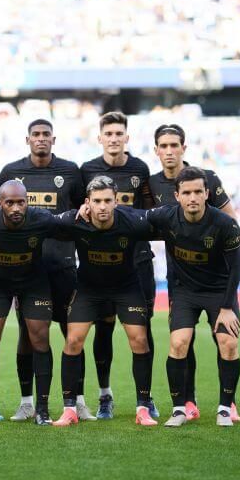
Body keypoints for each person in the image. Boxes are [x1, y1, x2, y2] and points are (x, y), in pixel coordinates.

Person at [0, 120, 91, 421]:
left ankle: (77, 401)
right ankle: (27, 402)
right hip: (27, 271)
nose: (40, 139)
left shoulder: (70, 171)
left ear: (53, 138)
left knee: (71, 333)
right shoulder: (11, 172)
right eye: (35, 135)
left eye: (45, 135)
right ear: (27, 140)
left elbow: (82, 215)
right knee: (27, 335)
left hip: (63, 266)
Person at [148, 123, 239, 422]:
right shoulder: (150, 184)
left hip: (215, 277)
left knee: (223, 340)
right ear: (157, 150)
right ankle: (187, 401)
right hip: (180, 276)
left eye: (175, 145)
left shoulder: (206, 177)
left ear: (183, 148)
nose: (170, 151)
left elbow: (230, 221)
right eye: (164, 145)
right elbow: (146, 221)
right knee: (181, 342)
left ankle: (228, 403)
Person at [51, 176, 159, 428]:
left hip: (126, 288)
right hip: (89, 288)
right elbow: (42, 221)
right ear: (87, 202)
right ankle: (69, 409)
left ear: (116, 201)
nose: (102, 206)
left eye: (107, 201)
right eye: (97, 201)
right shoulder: (74, 220)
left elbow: (166, 219)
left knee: (140, 340)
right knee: (73, 340)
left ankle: (142, 407)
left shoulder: (132, 221)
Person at [80, 112, 157, 420]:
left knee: (142, 331)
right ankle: (104, 395)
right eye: (108, 133)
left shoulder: (140, 169)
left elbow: (150, 213)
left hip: (138, 261)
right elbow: (80, 211)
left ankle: (146, 399)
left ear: (127, 137)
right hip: (101, 264)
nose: (113, 138)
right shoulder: (87, 170)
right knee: (104, 329)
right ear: (100, 138)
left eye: (118, 133)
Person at [0, 180, 59, 426]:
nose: (16, 208)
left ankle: (42, 409)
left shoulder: (42, 218)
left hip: (34, 282)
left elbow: (69, 223)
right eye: (10, 203)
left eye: (21, 202)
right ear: (0, 204)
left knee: (39, 337)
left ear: (28, 201)